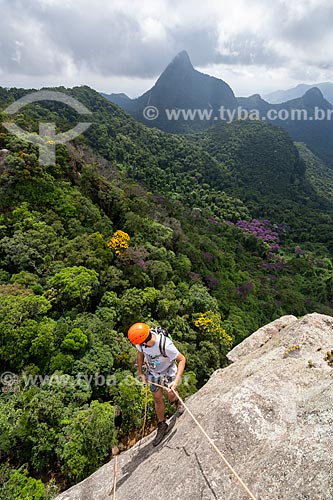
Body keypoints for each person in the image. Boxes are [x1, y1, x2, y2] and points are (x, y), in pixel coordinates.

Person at [128, 322, 186, 446]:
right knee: (157, 398)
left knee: (171, 394)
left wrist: (175, 382)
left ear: (143, 340)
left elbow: (182, 360)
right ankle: (162, 424)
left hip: (168, 371)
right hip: (153, 373)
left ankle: (177, 401)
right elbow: (140, 355)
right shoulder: (142, 344)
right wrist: (141, 372)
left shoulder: (165, 344)